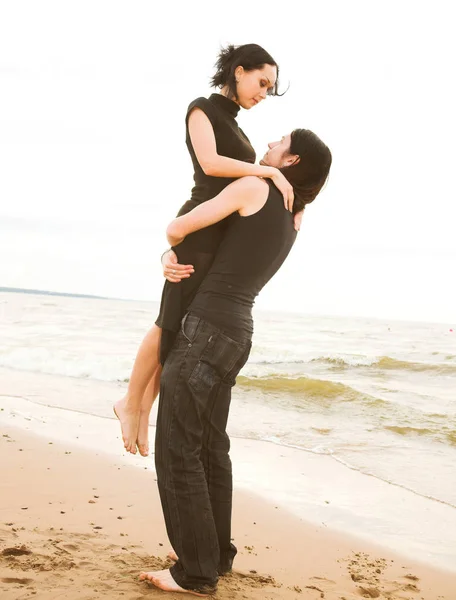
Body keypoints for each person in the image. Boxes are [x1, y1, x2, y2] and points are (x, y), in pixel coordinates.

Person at [139, 129, 332, 596]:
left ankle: (196, 573)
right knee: (209, 448)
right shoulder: (296, 214)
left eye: (279, 142)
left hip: (205, 328)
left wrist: (170, 251)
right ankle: (214, 554)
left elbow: (177, 227)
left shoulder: (254, 187)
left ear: (291, 160)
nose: (268, 143)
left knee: (178, 448)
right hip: (237, 331)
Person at [114, 43, 300, 457]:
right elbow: (212, 164)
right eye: (262, 82)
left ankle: (144, 410)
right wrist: (267, 169)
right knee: (166, 324)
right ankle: (129, 404)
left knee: (181, 330)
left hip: (216, 236)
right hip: (198, 226)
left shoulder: (239, 129)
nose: (264, 92)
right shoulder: (202, 109)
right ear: (238, 71)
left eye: (269, 87)